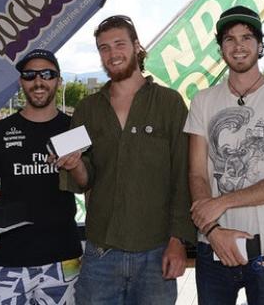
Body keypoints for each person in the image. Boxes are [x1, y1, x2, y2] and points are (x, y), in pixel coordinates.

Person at [58, 15, 195, 304]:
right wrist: (76, 165)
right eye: (103, 48)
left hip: (157, 252)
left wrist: (177, 240)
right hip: (101, 254)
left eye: (119, 44)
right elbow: (85, 181)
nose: (112, 54)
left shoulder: (169, 103)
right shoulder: (87, 109)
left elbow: (184, 177)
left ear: (136, 46)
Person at [184, 6, 264, 305]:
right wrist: (213, 229)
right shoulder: (203, 101)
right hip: (211, 244)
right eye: (229, 39)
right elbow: (197, 173)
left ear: (260, 44)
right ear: (220, 48)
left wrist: (222, 202)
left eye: (246, 37)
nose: (238, 45)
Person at [0, 49, 82, 305]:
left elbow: (86, 185)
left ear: (58, 80)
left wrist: (75, 164)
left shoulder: (72, 129)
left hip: (62, 256)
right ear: (21, 82)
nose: (38, 81)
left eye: (47, 74)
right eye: (30, 74)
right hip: (11, 256)